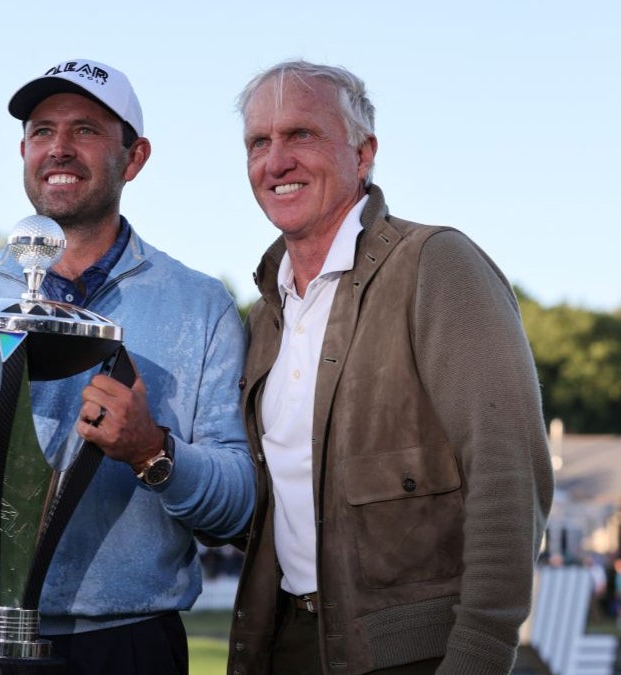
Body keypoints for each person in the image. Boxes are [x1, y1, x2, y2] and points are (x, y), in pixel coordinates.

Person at [0, 58, 254, 675]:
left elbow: (239, 506)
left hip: (133, 646)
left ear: (136, 156)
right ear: (22, 150)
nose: (59, 149)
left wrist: (154, 453)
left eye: (86, 130)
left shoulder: (200, 305)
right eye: (42, 131)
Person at [228, 60, 554, 675]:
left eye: (302, 135)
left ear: (364, 152)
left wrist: (480, 653)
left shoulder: (436, 265)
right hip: (284, 645)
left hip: (415, 657)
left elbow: (508, 468)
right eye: (258, 143)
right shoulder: (263, 313)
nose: (276, 161)